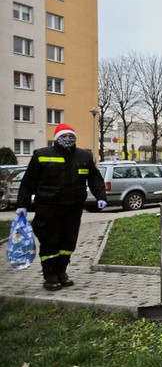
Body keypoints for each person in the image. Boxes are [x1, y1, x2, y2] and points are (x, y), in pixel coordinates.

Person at [15, 123, 107, 290]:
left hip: (73, 207)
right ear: (57, 138)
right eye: (64, 136)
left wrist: (101, 196)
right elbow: (28, 182)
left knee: (68, 241)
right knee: (50, 241)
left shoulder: (84, 156)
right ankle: (50, 276)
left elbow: (95, 179)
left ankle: (61, 272)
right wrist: (22, 204)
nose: (68, 139)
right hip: (48, 207)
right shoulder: (41, 155)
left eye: (71, 136)